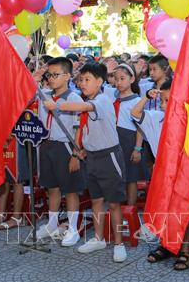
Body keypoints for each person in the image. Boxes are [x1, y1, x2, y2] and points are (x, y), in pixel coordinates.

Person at [43, 62, 128, 262]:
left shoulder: (102, 100)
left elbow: (85, 107)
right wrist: (80, 150)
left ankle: (119, 243)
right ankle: (98, 238)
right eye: (81, 80)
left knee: (114, 203)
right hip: (91, 157)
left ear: (100, 81)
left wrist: (57, 106)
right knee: (97, 200)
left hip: (109, 157)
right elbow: (82, 128)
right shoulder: (88, 98)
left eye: (87, 80)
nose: (82, 83)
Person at [132, 79, 189, 270]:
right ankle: (166, 245)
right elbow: (134, 113)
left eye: (168, 101)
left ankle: (184, 250)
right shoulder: (155, 117)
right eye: (161, 100)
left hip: (183, 173)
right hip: (162, 172)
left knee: (181, 211)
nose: (163, 105)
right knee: (163, 209)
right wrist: (146, 97)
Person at [35, 57, 85, 247]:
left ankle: (72, 228)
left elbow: (79, 129)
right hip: (46, 145)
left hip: (65, 147)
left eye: (56, 75)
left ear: (68, 76)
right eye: (50, 74)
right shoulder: (44, 94)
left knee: (70, 189)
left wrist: (75, 155)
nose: (51, 78)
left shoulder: (73, 99)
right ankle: (52, 223)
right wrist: (36, 76)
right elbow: (23, 93)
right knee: (52, 187)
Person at [113, 63, 147, 205]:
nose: (118, 82)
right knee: (118, 176)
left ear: (131, 79)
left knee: (131, 179)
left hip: (130, 142)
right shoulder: (114, 98)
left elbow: (140, 127)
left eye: (122, 78)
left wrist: (137, 148)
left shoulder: (136, 101)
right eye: (116, 79)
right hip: (116, 141)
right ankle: (119, 207)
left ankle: (130, 209)